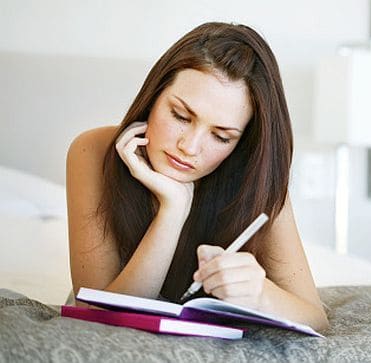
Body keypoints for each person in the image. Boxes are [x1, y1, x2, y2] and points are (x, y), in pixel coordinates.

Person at [66, 22, 329, 332]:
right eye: (180, 116)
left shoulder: (255, 183)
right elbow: (95, 315)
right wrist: (172, 210)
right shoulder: (94, 151)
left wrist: (260, 294)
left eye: (221, 136)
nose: (188, 147)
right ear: (154, 96)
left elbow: (316, 319)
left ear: (242, 142)